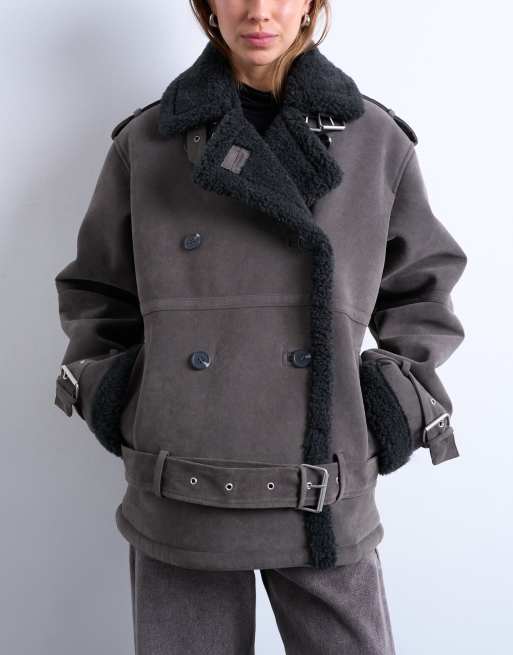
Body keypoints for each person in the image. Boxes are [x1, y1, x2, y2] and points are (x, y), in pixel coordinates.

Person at [53, 1, 467, 653]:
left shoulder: (374, 139)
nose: (258, 11)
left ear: (310, 6)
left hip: (323, 483)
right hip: (181, 479)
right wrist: (119, 395)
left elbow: (423, 289)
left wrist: (393, 403)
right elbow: (97, 293)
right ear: (207, 6)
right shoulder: (148, 142)